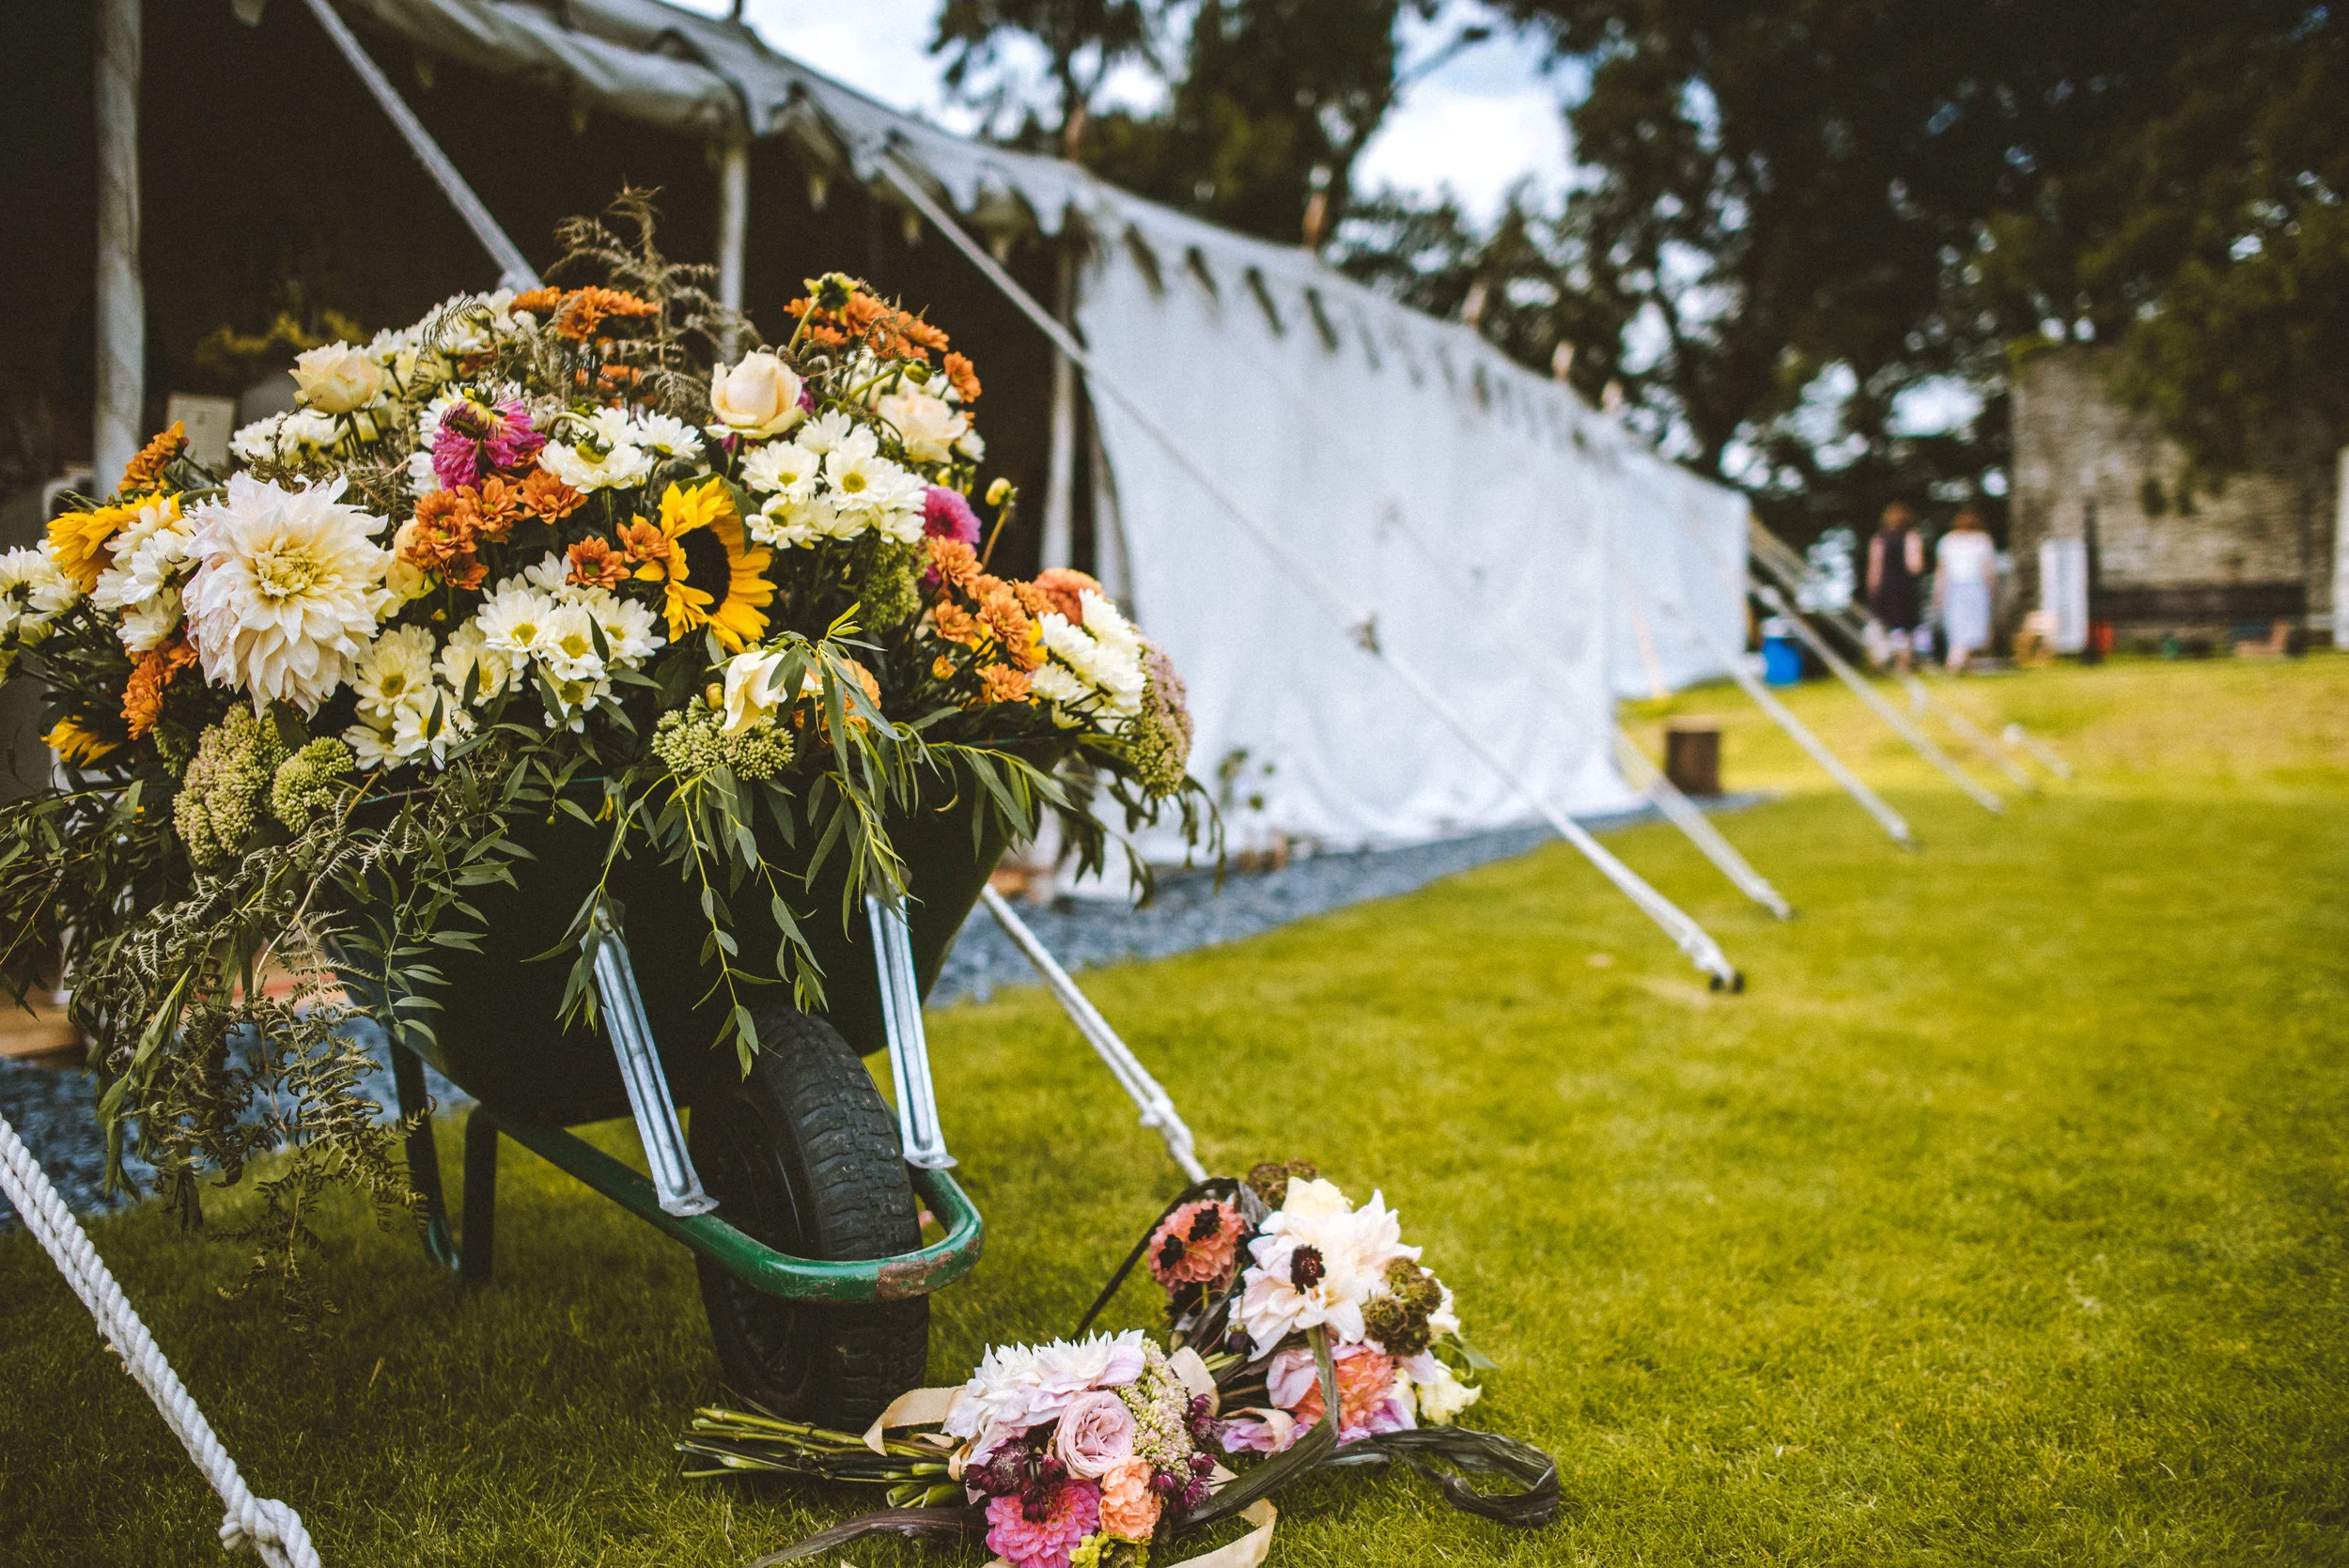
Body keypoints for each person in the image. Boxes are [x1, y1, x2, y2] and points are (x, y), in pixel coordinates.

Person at [1935, 505, 1999, 673]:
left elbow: (1942, 571)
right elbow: (1989, 570)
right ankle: (1956, 663)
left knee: (1958, 627)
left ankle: (1962, 664)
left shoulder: (1947, 541)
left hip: (1954, 588)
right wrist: (1993, 591)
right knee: (1972, 628)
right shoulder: (1982, 540)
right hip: (1976, 587)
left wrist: (1938, 593)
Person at [1864, 503, 1927, 673]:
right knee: (1905, 628)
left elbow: (1874, 568)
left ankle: (1885, 663)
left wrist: (1872, 590)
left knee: (1888, 625)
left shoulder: (1879, 539)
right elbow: (1915, 565)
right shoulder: (1911, 536)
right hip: (1905, 588)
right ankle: (1903, 664)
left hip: (1886, 588)